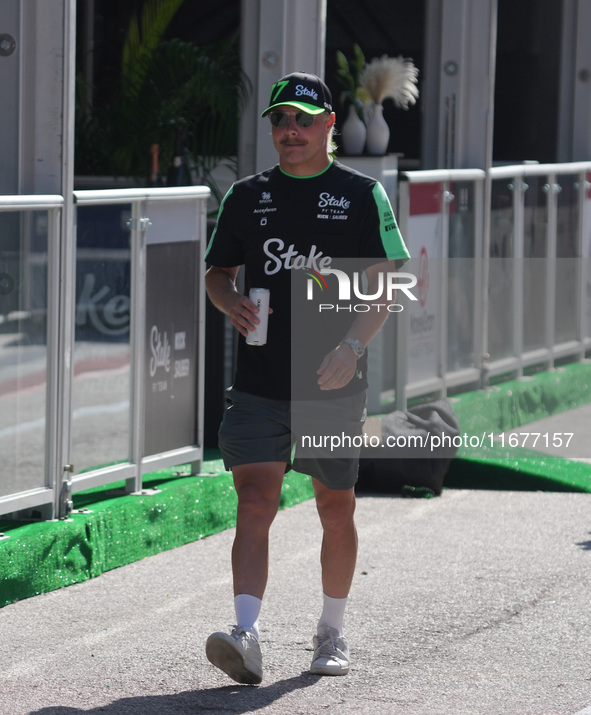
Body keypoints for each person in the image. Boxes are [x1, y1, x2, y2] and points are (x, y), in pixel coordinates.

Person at [203, 71, 410, 684]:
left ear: (327, 127)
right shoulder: (246, 195)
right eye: (278, 121)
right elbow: (217, 272)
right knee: (255, 502)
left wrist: (351, 346)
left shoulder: (361, 192)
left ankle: (332, 631)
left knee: (335, 507)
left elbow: (383, 285)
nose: (288, 131)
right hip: (260, 381)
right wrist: (229, 301)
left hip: (331, 383)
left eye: (300, 120)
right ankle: (246, 633)